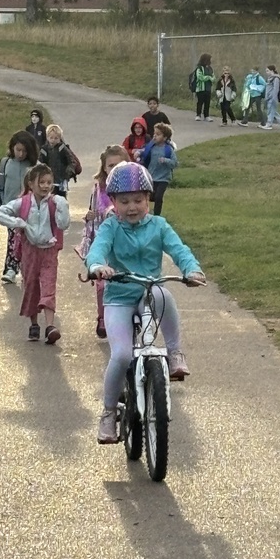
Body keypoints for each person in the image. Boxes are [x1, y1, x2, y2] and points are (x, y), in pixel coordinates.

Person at [85, 162, 206, 445]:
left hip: (148, 293)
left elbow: (179, 249)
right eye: (124, 201)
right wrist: (97, 266)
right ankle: (108, 412)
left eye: (138, 200)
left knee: (164, 294)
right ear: (112, 202)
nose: (132, 207)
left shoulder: (159, 226)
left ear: (148, 199)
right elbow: (97, 250)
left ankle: (175, 353)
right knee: (122, 355)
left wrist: (191, 269)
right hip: (118, 297)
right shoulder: (111, 227)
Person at [0, 162, 70, 344]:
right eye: (41, 182)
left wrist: (63, 206)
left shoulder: (55, 202)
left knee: (49, 285)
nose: (45, 186)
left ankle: (50, 326)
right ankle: (34, 323)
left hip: (49, 251)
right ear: (31, 184)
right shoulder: (23, 203)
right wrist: (19, 223)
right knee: (31, 286)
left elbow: (63, 224)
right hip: (29, 252)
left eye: (49, 182)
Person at [77, 144, 131, 339]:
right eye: (110, 166)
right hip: (102, 240)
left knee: (124, 279)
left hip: (124, 241)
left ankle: (125, 316)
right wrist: (90, 216)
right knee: (102, 283)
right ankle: (103, 317)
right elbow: (97, 210)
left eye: (119, 164)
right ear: (104, 168)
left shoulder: (133, 187)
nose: (114, 169)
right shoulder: (99, 188)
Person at [0, 131, 39, 283]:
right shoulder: (5, 164)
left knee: (29, 240)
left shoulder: (35, 167)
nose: (21, 154)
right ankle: (11, 269)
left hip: (30, 210)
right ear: (12, 148)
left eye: (24, 151)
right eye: (18, 150)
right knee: (13, 238)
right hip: (10, 210)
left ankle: (28, 268)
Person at [140, 122, 178, 216]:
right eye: (154, 134)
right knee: (149, 196)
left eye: (158, 134)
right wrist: (138, 153)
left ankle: (157, 215)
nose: (154, 136)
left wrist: (166, 160)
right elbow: (144, 153)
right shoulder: (151, 147)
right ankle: (145, 213)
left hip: (164, 178)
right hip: (152, 177)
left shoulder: (168, 149)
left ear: (165, 138)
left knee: (158, 197)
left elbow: (175, 163)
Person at [39, 123, 75, 197]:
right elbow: (40, 162)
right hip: (47, 180)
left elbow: (71, 161)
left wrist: (67, 173)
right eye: (51, 138)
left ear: (59, 138)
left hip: (61, 179)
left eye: (56, 138)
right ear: (47, 137)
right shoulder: (44, 150)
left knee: (61, 199)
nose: (53, 140)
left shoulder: (62, 148)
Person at [260, 65, 280, 130]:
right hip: (268, 97)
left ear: (272, 71)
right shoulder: (270, 78)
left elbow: (276, 89)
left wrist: (274, 98)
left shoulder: (276, 78)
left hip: (272, 98)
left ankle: (269, 124)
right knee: (271, 111)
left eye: (267, 71)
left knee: (270, 111)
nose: (266, 72)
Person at [193, 53, 215, 122]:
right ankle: (198, 115)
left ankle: (206, 115)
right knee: (200, 102)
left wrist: (211, 78)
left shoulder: (210, 68)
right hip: (200, 88)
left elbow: (213, 77)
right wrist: (208, 77)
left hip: (208, 88)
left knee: (207, 102)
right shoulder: (199, 68)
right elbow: (200, 77)